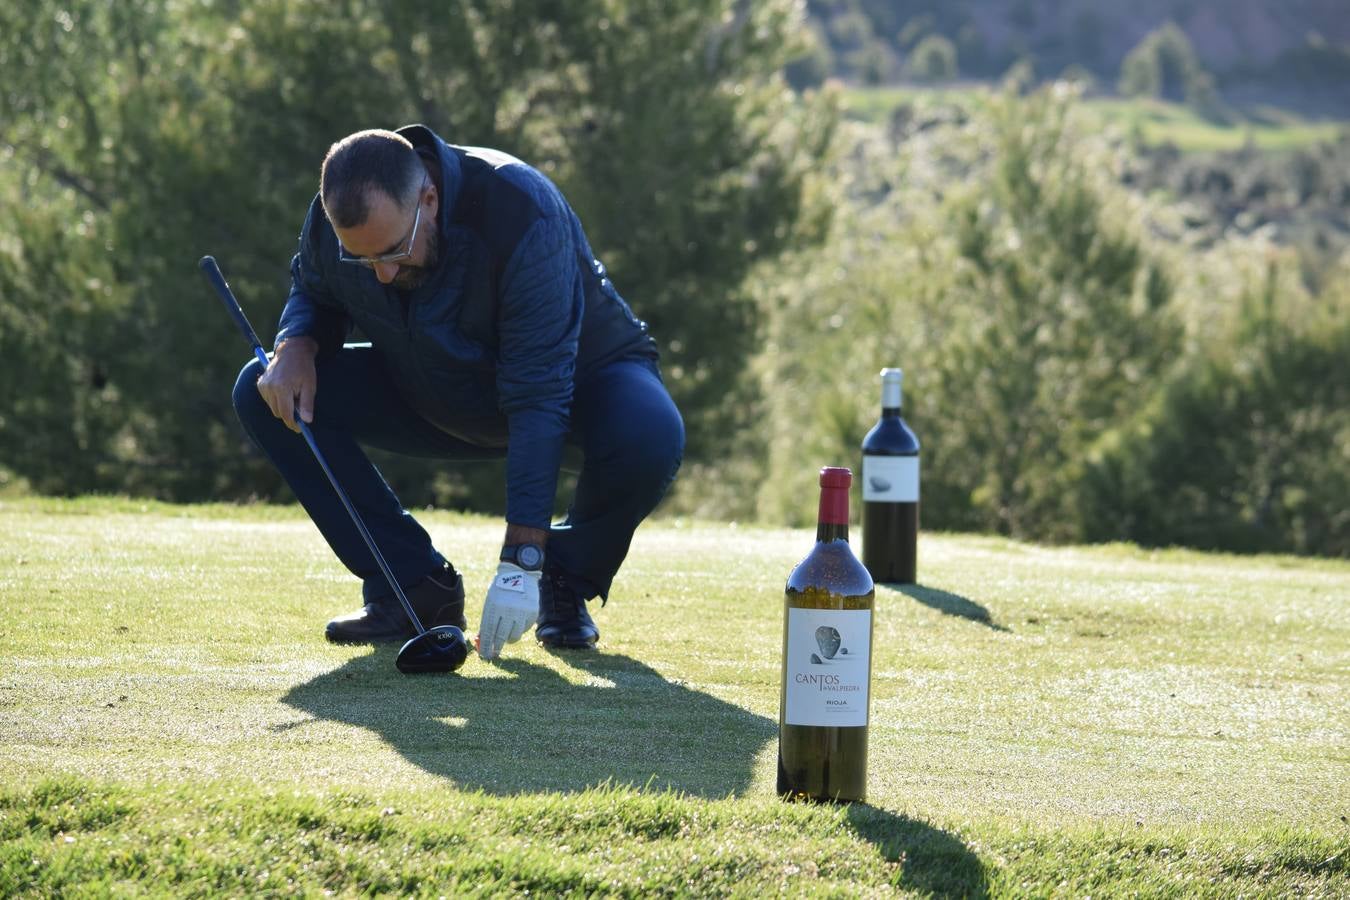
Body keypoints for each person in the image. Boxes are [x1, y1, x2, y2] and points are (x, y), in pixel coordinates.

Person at [232, 125, 684, 659]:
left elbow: (539, 396)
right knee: (261, 392)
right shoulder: (340, 212)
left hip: (576, 388)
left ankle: (563, 579)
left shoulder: (521, 209)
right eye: (363, 258)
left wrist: (523, 562)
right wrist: (297, 343)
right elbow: (314, 288)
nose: (381, 274)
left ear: (429, 198)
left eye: (395, 251)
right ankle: (413, 587)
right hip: (433, 387)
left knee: (651, 435)